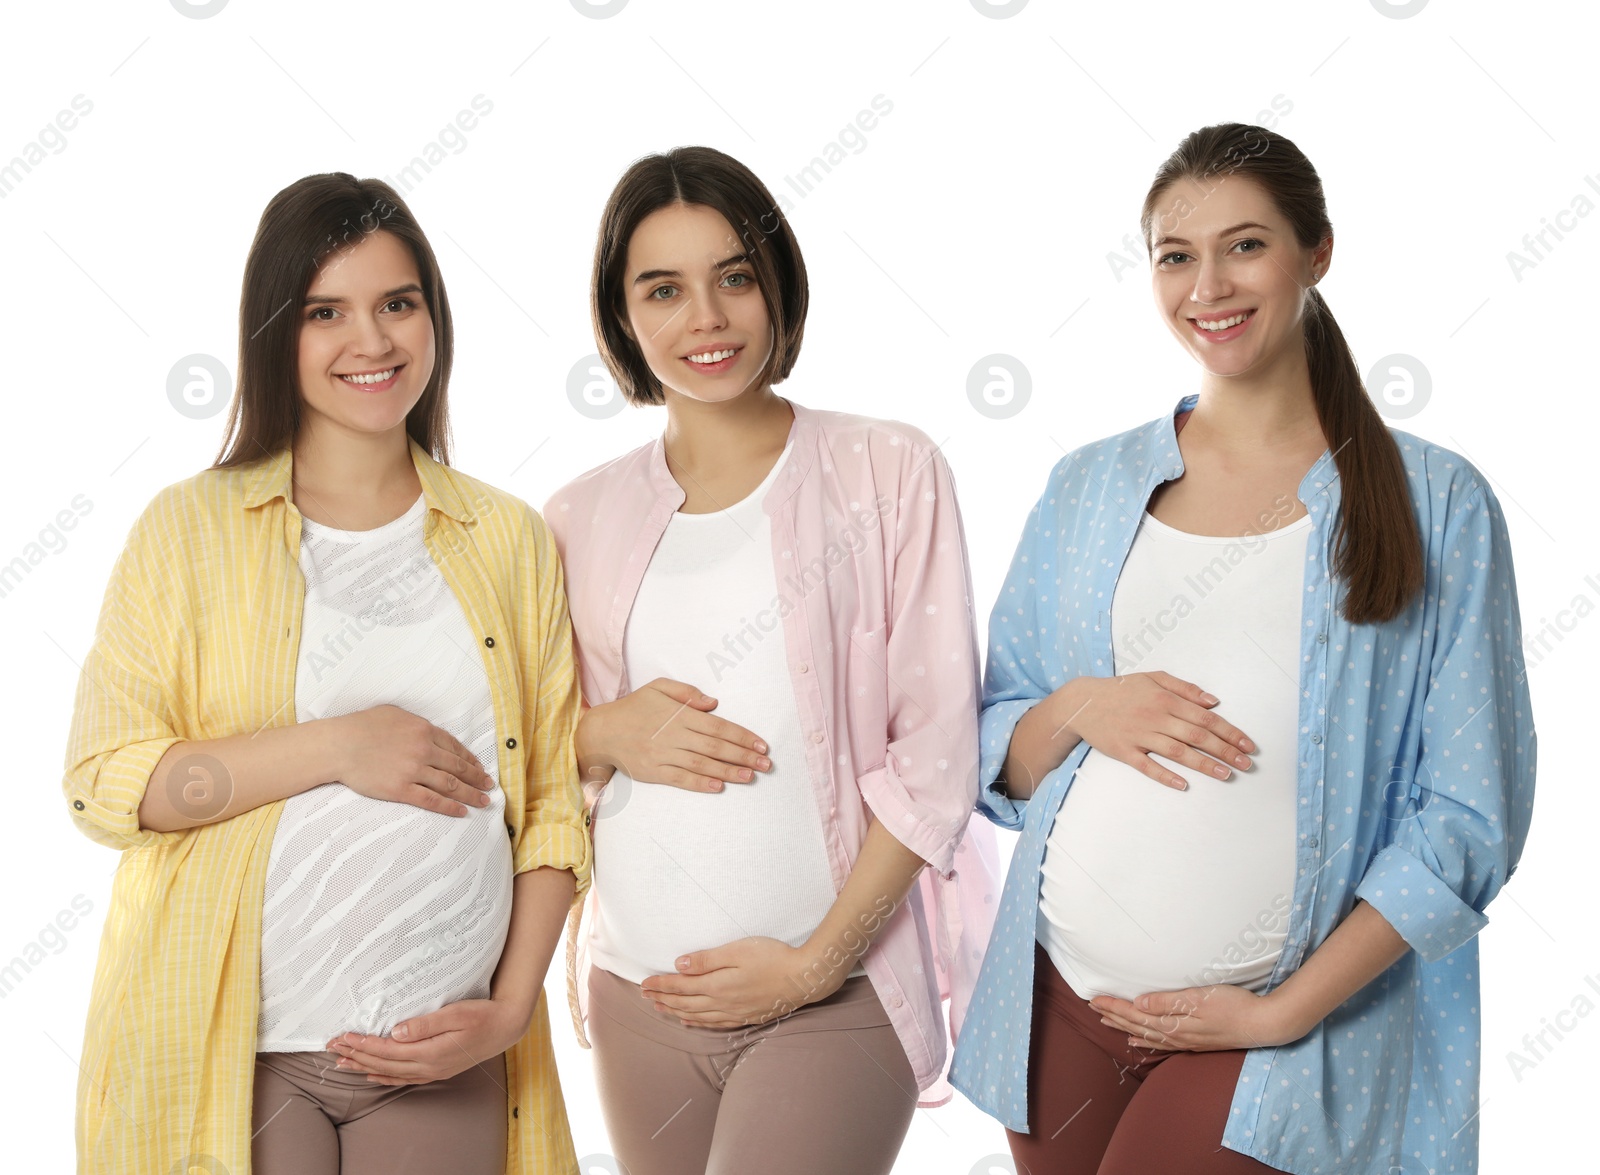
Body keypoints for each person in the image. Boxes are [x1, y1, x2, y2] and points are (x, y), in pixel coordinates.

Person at [949, 123, 1536, 1175]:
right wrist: (1081, 703)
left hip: (1278, 1030)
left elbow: (1465, 816)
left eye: (1245, 245)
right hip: (1055, 1009)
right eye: (1176, 255)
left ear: (1316, 252)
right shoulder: (1085, 486)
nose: (1206, 284)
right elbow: (994, 744)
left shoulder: (1434, 500)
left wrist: (1281, 1013)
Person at [62, 174, 591, 1174]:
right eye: (325, 312)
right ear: (276, 331)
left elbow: (553, 804)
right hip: (239, 1047)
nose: (373, 340)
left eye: (398, 303)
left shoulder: (508, 539)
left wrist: (509, 1007)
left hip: (438, 1050)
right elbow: (104, 781)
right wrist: (336, 745)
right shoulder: (188, 530)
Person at [542, 145, 998, 1175]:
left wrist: (812, 965)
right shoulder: (575, 516)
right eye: (662, 288)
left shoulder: (887, 468)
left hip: (832, 992)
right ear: (621, 315)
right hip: (638, 998)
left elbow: (934, 756)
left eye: (732, 276)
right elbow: (523, 747)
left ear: (776, 284)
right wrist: (595, 730)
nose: (704, 317)